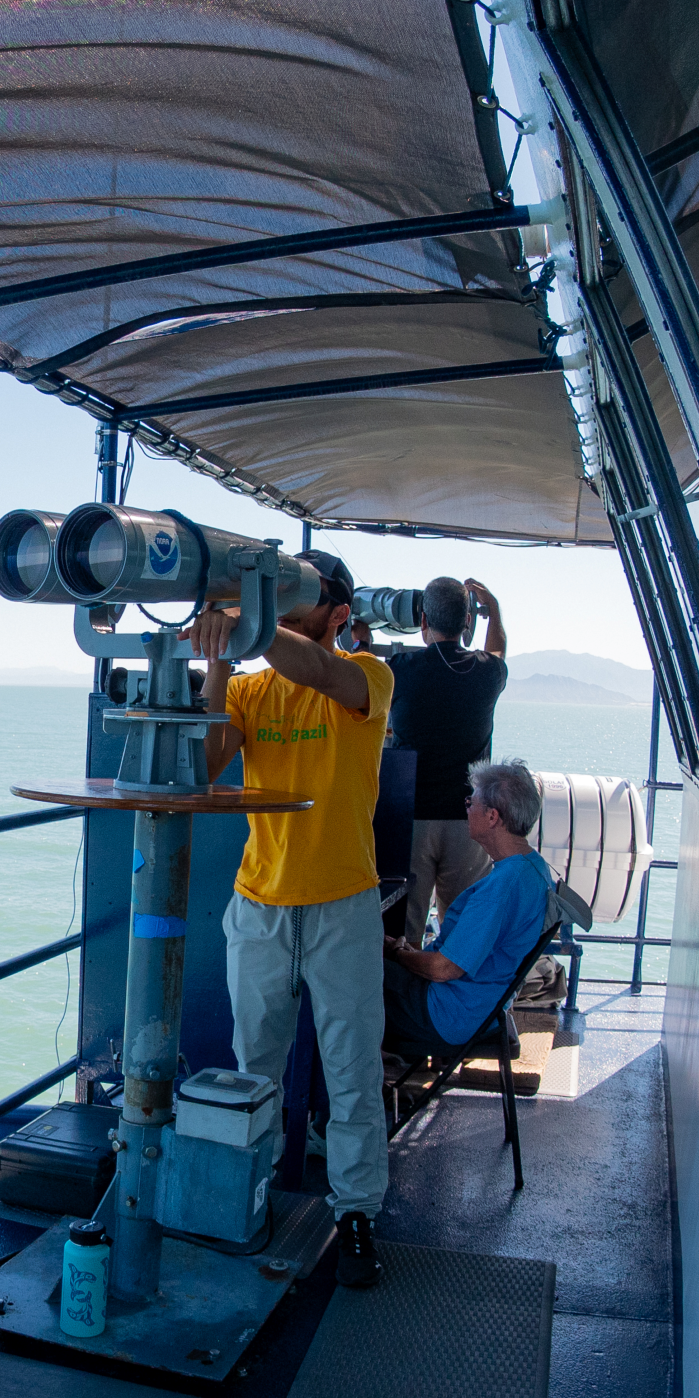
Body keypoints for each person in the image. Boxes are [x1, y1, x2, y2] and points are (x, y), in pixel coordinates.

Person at [192, 550, 397, 1289]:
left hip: (342, 905)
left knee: (350, 1073)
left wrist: (244, 623)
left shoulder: (368, 677)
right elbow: (213, 760)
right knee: (257, 1069)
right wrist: (219, 660)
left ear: (338, 614)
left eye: (295, 594)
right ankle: (251, 1198)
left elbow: (317, 672)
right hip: (260, 905)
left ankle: (357, 1212)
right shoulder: (249, 690)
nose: (277, 605)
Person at [382, 759, 555, 1062]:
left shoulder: (501, 888)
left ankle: (350, 1094)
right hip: (479, 1007)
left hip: (447, 1016)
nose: (466, 810)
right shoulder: (532, 868)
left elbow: (444, 969)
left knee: (343, 972)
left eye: (470, 802)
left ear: (492, 816)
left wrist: (398, 953)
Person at [386, 576, 508, 952]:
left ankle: (402, 1006)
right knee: (461, 928)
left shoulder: (399, 669)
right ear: (467, 625)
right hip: (468, 818)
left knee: (403, 933)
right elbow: (498, 650)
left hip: (411, 819)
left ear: (423, 621)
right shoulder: (488, 672)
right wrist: (496, 613)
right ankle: (449, 1004)